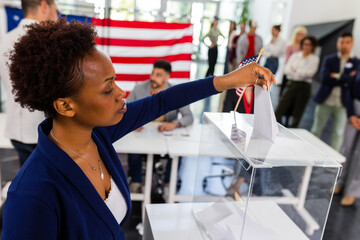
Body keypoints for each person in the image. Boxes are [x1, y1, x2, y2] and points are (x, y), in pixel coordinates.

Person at [2, 19, 275, 239]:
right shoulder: (32, 194)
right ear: (65, 106)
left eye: (116, 82)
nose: (122, 93)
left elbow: (163, 100)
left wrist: (228, 80)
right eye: (108, 88)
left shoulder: (98, 136)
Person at [0, 0, 58, 166]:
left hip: (16, 130)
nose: (57, 17)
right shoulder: (50, 42)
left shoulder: (4, 40)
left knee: (28, 183)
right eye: (56, 11)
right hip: (44, 131)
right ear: (44, 6)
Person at [126, 59, 193, 193]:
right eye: (153, 73)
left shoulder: (175, 92)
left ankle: (168, 183)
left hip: (164, 138)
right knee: (133, 150)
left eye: (158, 75)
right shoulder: (139, 88)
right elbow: (125, 110)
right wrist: (133, 122)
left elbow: (189, 117)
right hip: (142, 136)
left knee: (177, 152)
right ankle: (136, 182)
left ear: (167, 77)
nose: (152, 78)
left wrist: (175, 124)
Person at [311, 32, 360, 151]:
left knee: (338, 134)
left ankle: (334, 162)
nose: (344, 45)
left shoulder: (356, 62)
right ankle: (310, 152)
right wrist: (345, 78)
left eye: (347, 42)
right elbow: (325, 78)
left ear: (352, 44)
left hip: (343, 104)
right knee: (316, 129)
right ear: (338, 43)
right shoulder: (329, 59)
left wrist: (336, 76)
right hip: (325, 100)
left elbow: (353, 82)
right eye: (341, 42)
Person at [275, 35, 319, 128]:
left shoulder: (314, 59)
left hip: (304, 87)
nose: (307, 46)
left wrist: (295, 71)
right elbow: (287, 70)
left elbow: (310, 73)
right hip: (291, 84)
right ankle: (273, 126)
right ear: (302, 45)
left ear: (313, 46)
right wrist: (300, 72)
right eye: (305, 44)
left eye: (309, 44)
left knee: (298, 112)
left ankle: (293, 131)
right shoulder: (295, 56)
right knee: (281, 106)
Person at [222, 20, 262, 114]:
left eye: (255, 28)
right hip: (244, 65)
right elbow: (239, 53)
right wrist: (242, 67)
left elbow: (259, 54)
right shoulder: (243, 38)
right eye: (252, 27)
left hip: (254, 66)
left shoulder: (259, 39)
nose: (253, 30)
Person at [334, 65, 360, 206]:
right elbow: (347, 88)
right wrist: (351, 114)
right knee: (347, 148)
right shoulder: (357, 64)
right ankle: (340, 181)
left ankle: (353, 191)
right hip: (354, 109)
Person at [280, 26, 307, 96]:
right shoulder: (289, 46)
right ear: (296, 35)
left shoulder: (304, 47)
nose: (301, 37)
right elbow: (287, 60)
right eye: (300, 34)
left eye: (303, 35)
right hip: (290, 71)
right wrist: (293, 68)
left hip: (299, 73)